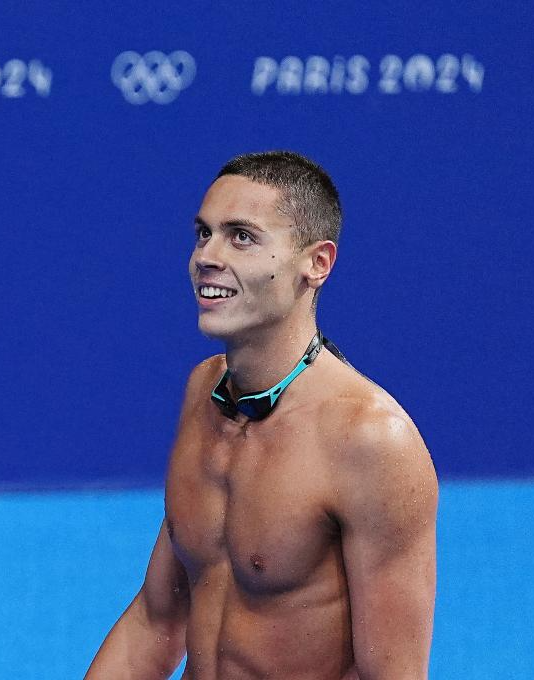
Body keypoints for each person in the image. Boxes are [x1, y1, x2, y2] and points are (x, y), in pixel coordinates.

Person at [84, 151, 438, 679]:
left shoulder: (370, 441)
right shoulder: (203, 391)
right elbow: (157, 621)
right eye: (203, 234)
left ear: (317, 264)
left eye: (241, 237)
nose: (207, 256)